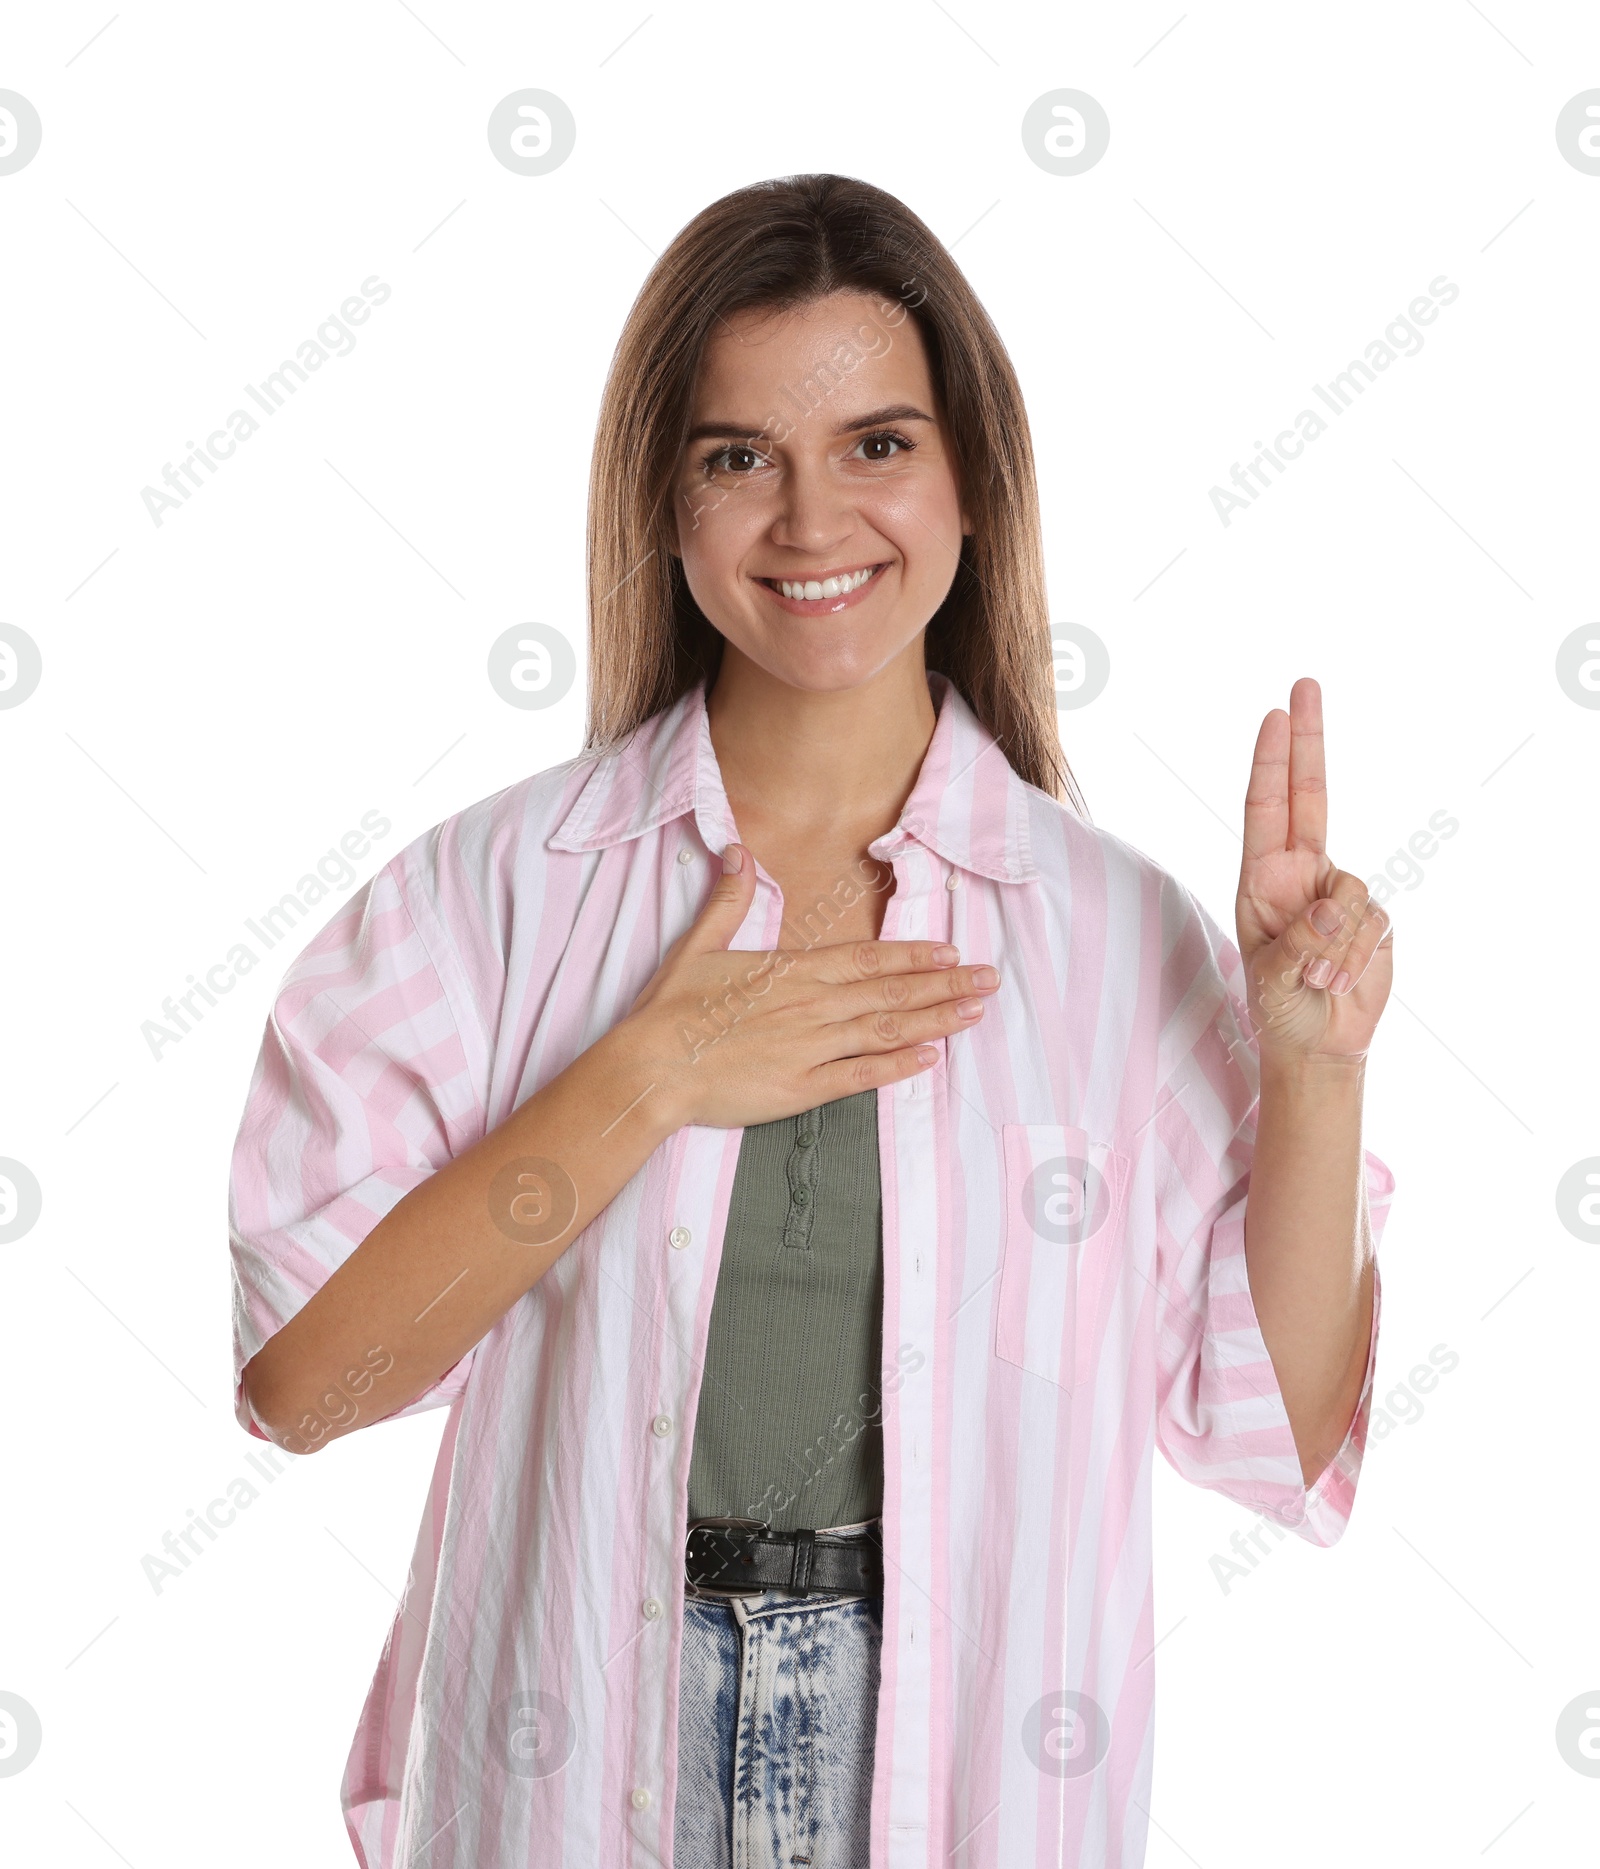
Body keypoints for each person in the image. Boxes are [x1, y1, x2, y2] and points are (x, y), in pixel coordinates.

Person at [229, 172, 1396, 1869]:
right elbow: (309, 1382)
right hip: (583, 1749)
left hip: (959, 1767)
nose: (808, 518)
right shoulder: (490, 899)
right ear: (667, 501)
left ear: (972, 486)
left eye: (877, 445)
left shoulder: (1110, 934)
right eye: (735, 456)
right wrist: (651, 1073)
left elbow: (1273, 1431)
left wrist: (1313, 1067)